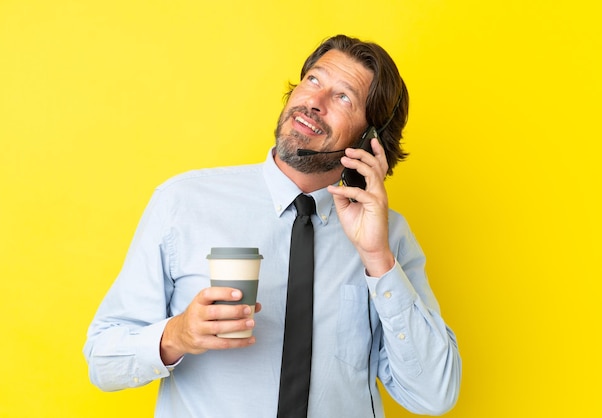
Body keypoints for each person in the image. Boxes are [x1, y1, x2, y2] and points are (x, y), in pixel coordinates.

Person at [83, 34, 461, 417]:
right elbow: (102, 360)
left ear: (369, 140)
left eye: (343, 97)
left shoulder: (389, 238)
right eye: (313, 80)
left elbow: (434, 395)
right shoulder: (183, 203)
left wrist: (377, 259)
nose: (314, 101)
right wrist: (176, 335)